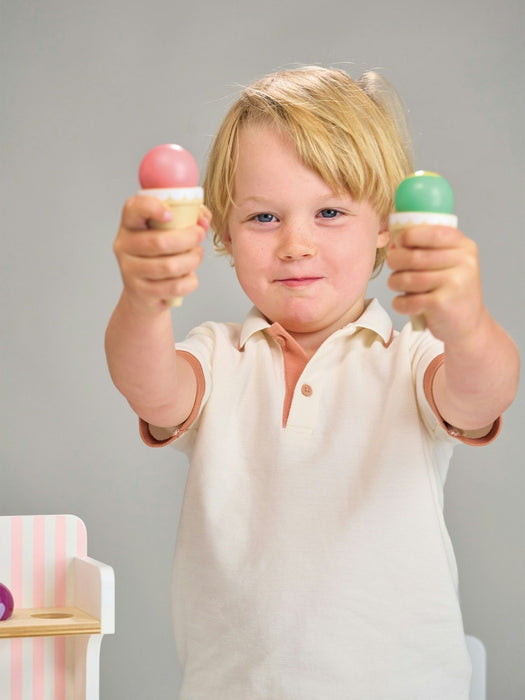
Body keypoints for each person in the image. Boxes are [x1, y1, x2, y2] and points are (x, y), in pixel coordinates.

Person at [105, 66, 519, 699]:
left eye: (329, 212)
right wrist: (143, 298)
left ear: (385, 222)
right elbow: (150, 387)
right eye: (265, 218)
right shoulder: (219, 358)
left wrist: (465, 322)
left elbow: (483, 391)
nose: (296, 244)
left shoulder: (411, 360)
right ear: (222, 231)